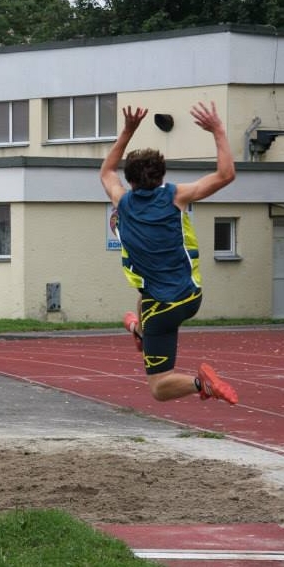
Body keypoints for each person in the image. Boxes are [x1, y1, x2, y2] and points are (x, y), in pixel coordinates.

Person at [100, 101, 239, 405]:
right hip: (191, 297)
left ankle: (200, 383)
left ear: (131, 181)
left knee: (159, 387)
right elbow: (226, 174)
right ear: (161, 177)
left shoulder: (121, 200)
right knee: (142, 297)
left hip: (162, 309)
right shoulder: (177, 196)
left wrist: (128, 130)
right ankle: (139, 333)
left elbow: (107, 170)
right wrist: (217, 130)